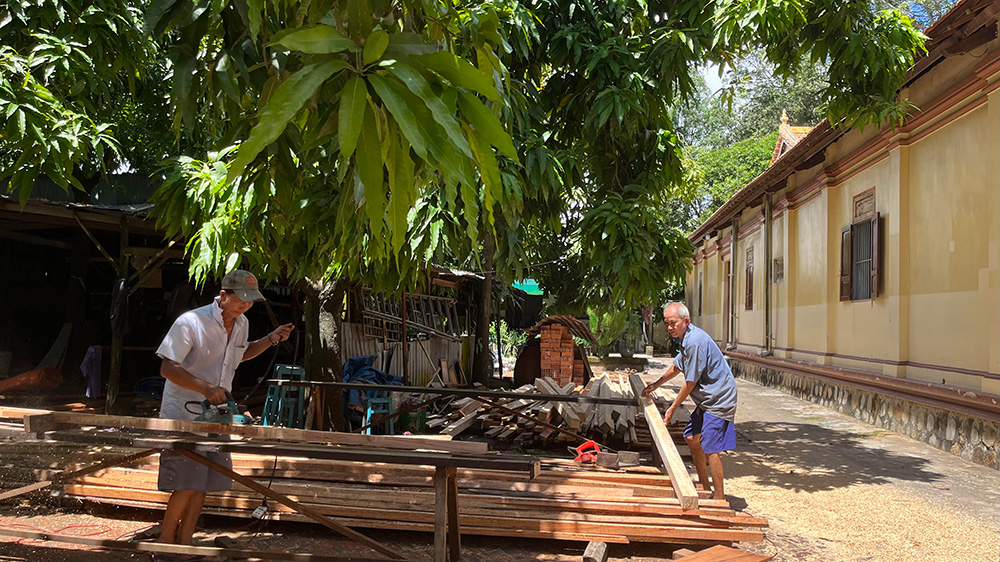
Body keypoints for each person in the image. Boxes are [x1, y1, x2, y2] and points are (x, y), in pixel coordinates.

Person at [154, 269, 294, 548]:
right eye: (241, 300)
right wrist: (204, 387)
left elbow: (240, 354)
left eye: (250, 301)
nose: (245, 306)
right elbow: (167, 367)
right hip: (185, 413)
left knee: (202, 484)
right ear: (223, 295)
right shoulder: (191, 322)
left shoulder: (241, 323)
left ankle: (186, 542)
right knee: (185, 484)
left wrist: (270, 339)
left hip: (217, 415)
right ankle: (166, 543)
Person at [641, 302, 737, 500]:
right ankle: (704, 486)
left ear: (686, 321)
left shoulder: (695, 341)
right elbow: (676, 367)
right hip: (707, 399)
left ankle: (719, 499)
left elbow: (690, 382)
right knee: (692, 438)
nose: (669, 328)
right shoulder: (685, 339)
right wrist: (656, 385)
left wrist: (672, 409)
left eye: (673, 323)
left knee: (711, 448)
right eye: (667, 323)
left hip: (719, 399)